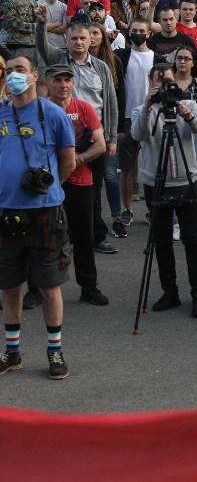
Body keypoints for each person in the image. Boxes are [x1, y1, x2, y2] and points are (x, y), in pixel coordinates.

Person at [0, 55, 75, 380]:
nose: (13, 76)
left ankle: (55, 351)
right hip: (7, 212)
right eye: (9, 71)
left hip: (46, 214)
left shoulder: (53, 113)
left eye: (20, 70)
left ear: (34, 76)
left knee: (48, 286)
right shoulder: (1, 112)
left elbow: (68, 160)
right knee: (9, 286)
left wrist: (49, 190)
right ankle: (12, 351)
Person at [130, 63, 197, 318]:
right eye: (160, 81)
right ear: (151, 82)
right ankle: (170, 292)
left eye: (169, 82)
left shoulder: (188, 104)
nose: (165, 86)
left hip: (185, 182)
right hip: (156, 183)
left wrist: (186, 113)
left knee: (192, 240)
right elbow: (138, 135)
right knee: (161, 241)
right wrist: (148, 105)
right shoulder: (142, 109)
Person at [45, 64, 108, 306]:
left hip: (81, 183)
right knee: (44, 240)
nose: (63, 85)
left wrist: (77, 160)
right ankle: (38, 289)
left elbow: (100, 145)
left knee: (84, 238)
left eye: (67, 80)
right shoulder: (41, 110)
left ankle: (89, 287)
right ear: (48, 83)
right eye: (58, 80)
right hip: (49, 185)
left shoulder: (83, 108)